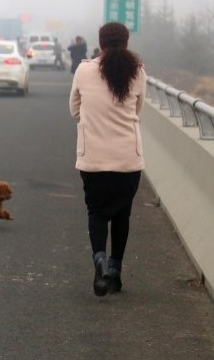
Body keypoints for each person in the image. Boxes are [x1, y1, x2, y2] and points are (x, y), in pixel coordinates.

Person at [69, 22, 146, 297]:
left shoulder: (84, 70)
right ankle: (115, 271)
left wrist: (92, 122)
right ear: (126, 43)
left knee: (97, 211)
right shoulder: (137, 71)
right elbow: (138, 109)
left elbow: (75, 109)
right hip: (128, 159)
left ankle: (99, 259)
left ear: (100, 44)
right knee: (122, 214)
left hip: (94, 158)